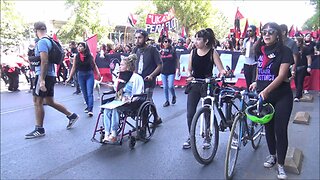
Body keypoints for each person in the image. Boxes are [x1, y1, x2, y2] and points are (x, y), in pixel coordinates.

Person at [249, 22, 294, 179]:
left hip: (282, 95)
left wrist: (266, 90)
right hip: (264, 94)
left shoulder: (285, 51)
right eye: (264, 32)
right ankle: (272, 155)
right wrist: (256, 81)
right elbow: (260, 68)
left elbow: (282, 76)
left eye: (271, 32)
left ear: (278, 35)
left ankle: (281, 165)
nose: (267, 34)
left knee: (280, 130)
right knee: (267, 127)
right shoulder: (259, 50)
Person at [25, 22, 79, 139]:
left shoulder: (42, 42)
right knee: (49, 101)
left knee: (37, 101)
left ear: (35, 30)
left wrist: (42, 80)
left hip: (43, 75)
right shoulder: (49, 40)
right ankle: (71, 115)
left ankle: (39, 129)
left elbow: (44, 61)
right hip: (51, 74)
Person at [183, 29, 227, 149]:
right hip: (195, 83)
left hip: (208, 84)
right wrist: (189, 76)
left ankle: (207, 136)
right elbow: (189, 69)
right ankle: (190, 136)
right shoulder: (193, 52)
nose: (195, 42)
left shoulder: (213, 53)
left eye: (198, 39)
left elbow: (221, 69)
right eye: (195, 38)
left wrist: (223, 73)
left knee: (207, 111)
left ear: (206, 41)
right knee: (190, 112)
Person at [102, 54, 144, 142]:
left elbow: (139, 93)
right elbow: (115, 88)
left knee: (115, 109)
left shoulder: (137, 78)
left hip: (130, 102)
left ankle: (113, 133)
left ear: (128, 67)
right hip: (119, 99)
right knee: (106, 109)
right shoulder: (119, 76)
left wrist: (130, 99)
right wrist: (105, 85)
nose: (119, 66)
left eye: (122, 65)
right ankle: (106, 133)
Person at [132, 29, 163, 125]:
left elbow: (160, 65)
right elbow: (131, 63)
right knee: (147, 100)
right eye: (136, 38)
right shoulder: (135, 50)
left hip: (148, 80)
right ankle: (156, 117)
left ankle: (143, 129)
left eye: (140, 38)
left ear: (145, 38)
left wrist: (151, 75)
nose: (137, 40)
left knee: (145, 100)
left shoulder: (152, 50)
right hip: (137, 81)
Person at [66, 42, 101, 117]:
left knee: (89, 93)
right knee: (84, 93)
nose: (79, 48)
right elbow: (74, 67)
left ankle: (90, 109)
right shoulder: (77, 56)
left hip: (89, 75)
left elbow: (94, 65)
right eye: (78, 46)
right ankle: (88, 106)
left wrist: (98, 74)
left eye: (81, 46)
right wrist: (69, 77)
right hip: (81, 75)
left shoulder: (90, 55)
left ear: (85, 48)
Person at [159, 37, 180, 107]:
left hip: (171, 71)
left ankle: (173, 95)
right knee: (165, 87)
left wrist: (178, 69)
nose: (166, 43)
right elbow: (159, 61)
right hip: (163, 71)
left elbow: (177, 60)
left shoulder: (173, 51)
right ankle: (167, 100)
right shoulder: (161, 51)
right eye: (165, 42)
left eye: (168, 42)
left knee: (170, 86)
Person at [293, 37, 313, 102]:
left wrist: (309, 66)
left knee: (299, 81)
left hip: (302, 67)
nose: (295, 42)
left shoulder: (305, 48)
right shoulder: (294, 48)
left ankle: (297, 96)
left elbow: (309, 58)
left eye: (296, 41)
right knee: (296, 81)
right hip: (295, 67)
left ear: (300, 42)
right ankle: (300, 93)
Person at [242, 25, 258, 90]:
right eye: (247, 31)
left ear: (254, 31)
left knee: (254, 82)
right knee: (248, 82)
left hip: (255, 63)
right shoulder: (246, 40)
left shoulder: (258, 40)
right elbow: (243, 52)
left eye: (250, 31)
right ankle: (249, 95)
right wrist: (243, 51)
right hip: (247, 63)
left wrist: (254, 48)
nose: (248, 32)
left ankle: (254, 96)